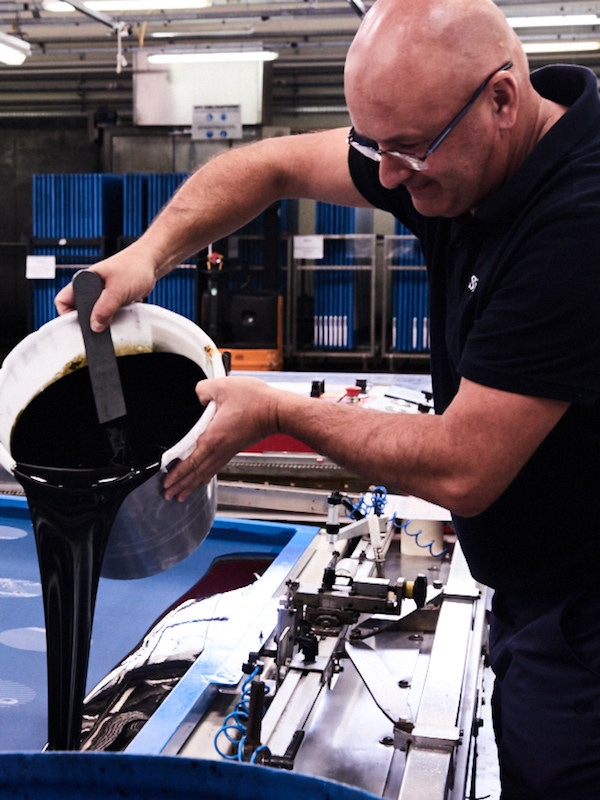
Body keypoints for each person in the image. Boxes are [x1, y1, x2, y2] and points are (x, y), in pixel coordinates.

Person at [55, 0, 600, 796]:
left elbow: (462, 467)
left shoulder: (577, 225)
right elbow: (269, 164)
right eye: (374, 147)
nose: (386, 181)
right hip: (531, 590)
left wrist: (276, 410)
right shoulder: (449, 156)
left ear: (503, 100)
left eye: (409, 151)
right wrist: (150, 251)